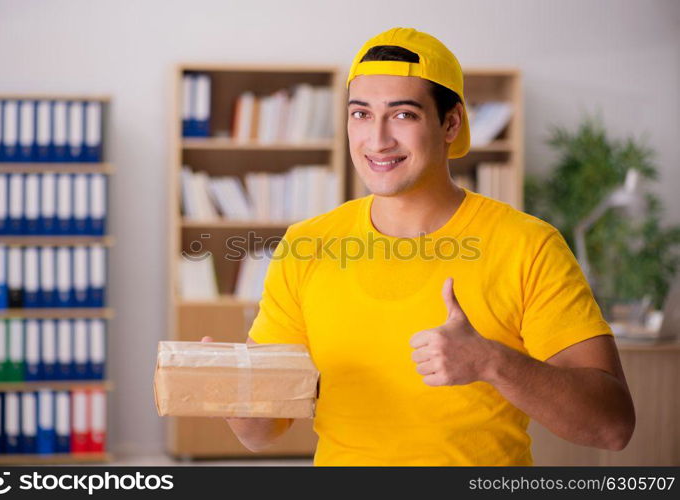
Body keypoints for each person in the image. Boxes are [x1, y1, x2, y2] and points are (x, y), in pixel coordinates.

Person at [203, 27, 635, 466]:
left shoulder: (527, 245)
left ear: (451, 123)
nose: (377, 140)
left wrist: (492, 362)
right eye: (361, 114)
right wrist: (228, 387)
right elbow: (261, 433)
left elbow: (613, 425)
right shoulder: (306, 246)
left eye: (403, 115)